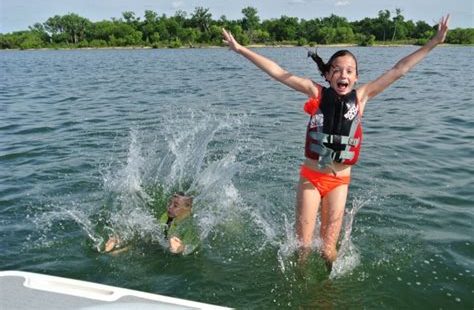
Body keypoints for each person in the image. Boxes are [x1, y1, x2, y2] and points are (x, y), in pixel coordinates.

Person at [222, 15, 450, 269]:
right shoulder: (316, 92)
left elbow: (399, 69)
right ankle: (300, 284)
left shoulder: (362, 97)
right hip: (311, 177)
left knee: (329, 249)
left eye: (349, 71)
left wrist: (434, 43)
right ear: (328, 75)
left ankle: (327, 294)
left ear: (356, 77)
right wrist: (240, 49)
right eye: (337, 70)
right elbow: (278, 72)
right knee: (304, 247)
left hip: (339, 182)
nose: (343, 74)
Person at [103, 192, 199, 255]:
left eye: (175, 205)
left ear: (188, 209)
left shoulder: (189, 226)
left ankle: (123, 248)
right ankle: (118, 241)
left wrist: (179, 248)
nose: (170, 207)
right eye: (170, 203)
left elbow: (189, 248)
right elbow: (154, 234)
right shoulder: (167, 216)